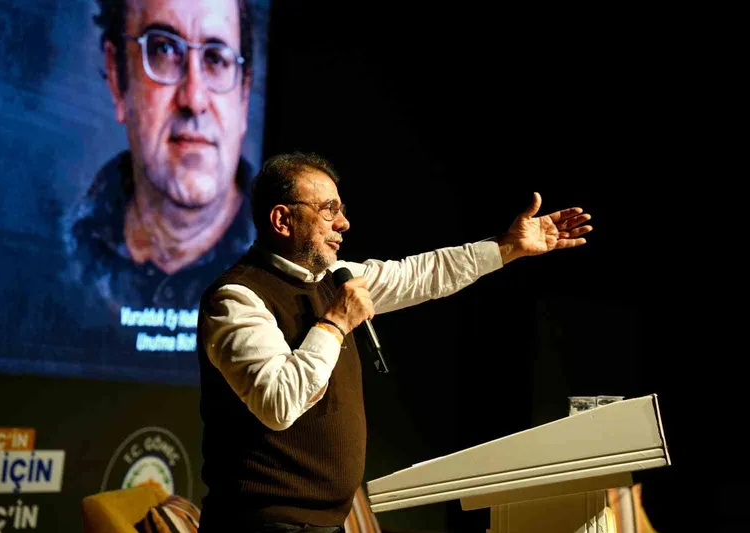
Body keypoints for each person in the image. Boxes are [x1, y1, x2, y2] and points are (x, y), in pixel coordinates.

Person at [195, 152, 593, 532]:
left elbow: (424, 274)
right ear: (282, 220)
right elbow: (278, 403)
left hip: (323, 524)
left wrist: (508, 247)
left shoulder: (334, 278)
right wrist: (335, 322)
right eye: (328, 210)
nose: (343, 223)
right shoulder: (237, 297)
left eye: (341, 209)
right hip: (260, 524)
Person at [63, 0, 257, 313]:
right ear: (117, 77)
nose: (194, 99)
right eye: (164, 50)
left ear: (244, 94)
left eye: (215, 58)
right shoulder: (61, 253)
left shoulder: (289, 259)